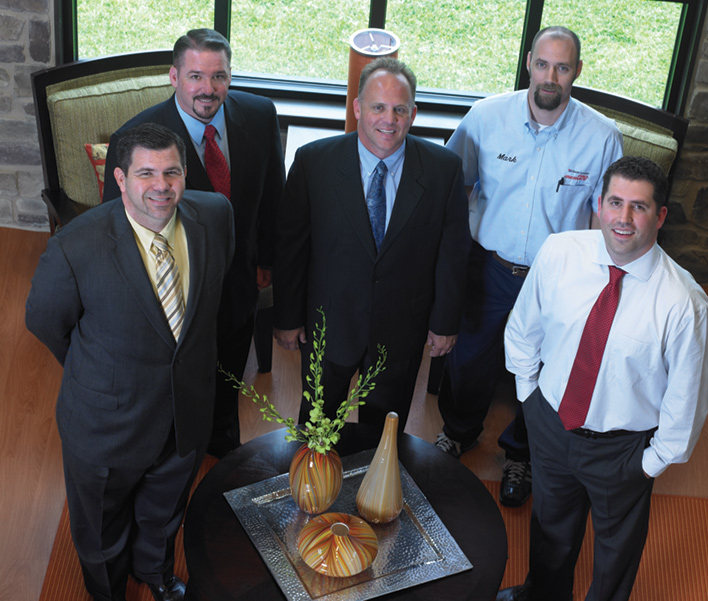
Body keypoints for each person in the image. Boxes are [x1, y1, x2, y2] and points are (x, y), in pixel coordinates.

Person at [26, 123, 234, 601]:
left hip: (187, 410)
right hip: (107, 423)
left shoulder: (216, 215)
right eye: (146, 173)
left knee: (165, 509)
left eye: (171, 172)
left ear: (185, 173)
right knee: (101, 528)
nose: (161, 185)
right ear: (120, 178)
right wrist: (95, 369)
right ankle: (110, 592)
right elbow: (45, 321)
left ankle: (154, 572)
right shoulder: (74, 247)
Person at [498, 156, 708, 601]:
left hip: (623, 450)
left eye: (639, 207)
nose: (623, 218)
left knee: (615, 555)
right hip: (551, 423)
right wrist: (530, 401)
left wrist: (648, 464)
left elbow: (686, 403)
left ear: (660, 216)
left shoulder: (686, 305)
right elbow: (523, 330)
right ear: (599, 204)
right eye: (615, 202)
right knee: (550, 529)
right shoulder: (559, 252)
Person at [435, 25, 623, 507]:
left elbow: (607, 216)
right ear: (528, 63)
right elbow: (453, 189)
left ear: (577, 71)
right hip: (487, 266)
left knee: (541, 371)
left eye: (562, 67)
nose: (550, 77)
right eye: (542, 64)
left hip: (555, 278)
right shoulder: (485, 117)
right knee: (468, 358)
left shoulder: (602, 137)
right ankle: (458, 432)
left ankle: (522, 453)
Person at [103, 28, 285, 459]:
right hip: (173, 287)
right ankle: (173, 453)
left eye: (218, 76)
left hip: (239, 279)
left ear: (229, 76)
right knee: (176, 381)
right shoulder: (135, 138)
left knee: (229, 370)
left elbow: (273, 195)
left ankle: (222, 444)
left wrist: (267, 259)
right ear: (174, 77)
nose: (208, 88)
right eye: (196, 76)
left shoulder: (260, 115)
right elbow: (118, 228)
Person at [273, 57, 471, 433]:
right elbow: (291, 248)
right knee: (316, 428)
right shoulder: (314, 162)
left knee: (384, 436)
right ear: (358, 108)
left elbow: (453, 253)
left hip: (401, 330)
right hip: (328, 325)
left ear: (413, 114)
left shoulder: (443, 170)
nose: (389, 120)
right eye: (378, 107)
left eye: (399, 109)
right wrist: (286, 317)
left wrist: (445, 322)